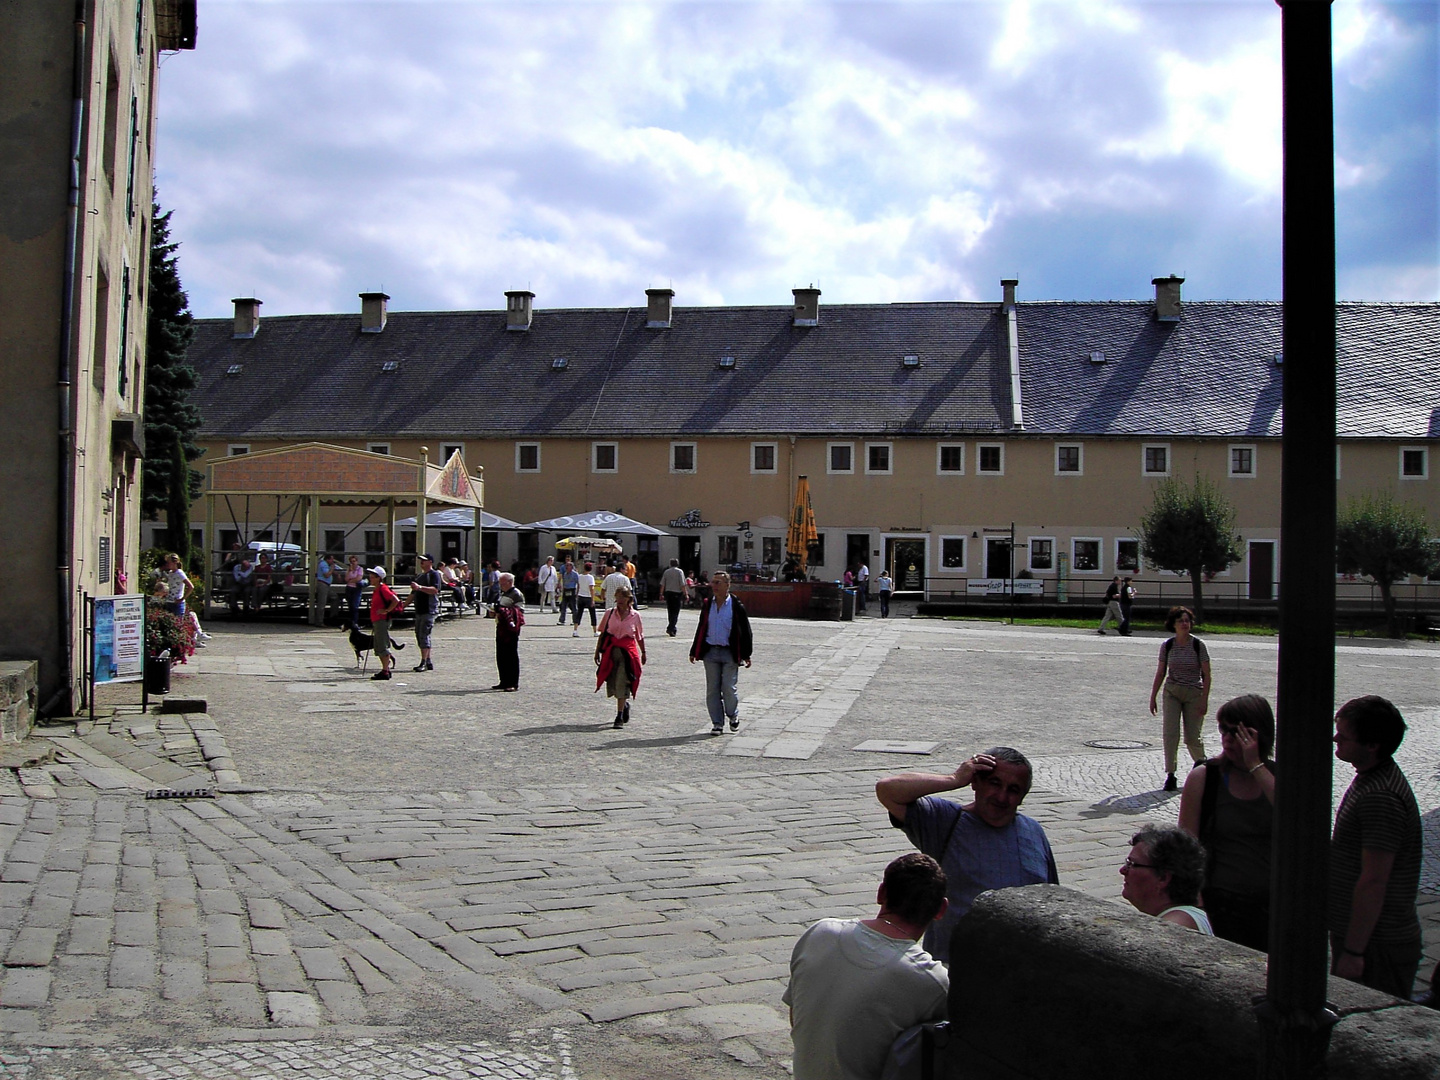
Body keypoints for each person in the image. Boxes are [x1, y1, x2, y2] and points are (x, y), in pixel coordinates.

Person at [875, 748, 1059, 963]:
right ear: (975, 782)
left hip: (1022, 971)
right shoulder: (945, 821)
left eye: (1013, 789)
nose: (1001, 796)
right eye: (994, 783)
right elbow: (887, 789)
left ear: (1022, 797)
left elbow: (1053, 897)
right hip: (956, 970)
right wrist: (953, 779)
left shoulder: (1033, 831)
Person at [784, 853, 949, 1080]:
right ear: (941, 910)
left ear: (881, 893)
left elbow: (797, 1014)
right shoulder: (932, 980)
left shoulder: (820, 932)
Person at [1329, 695, 1422, 998]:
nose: (1335, 738)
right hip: (1372, 941)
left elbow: (1374, 880)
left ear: (1372, 744)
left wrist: (1354, 951)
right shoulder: (1371, 780)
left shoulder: (1380, 796)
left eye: (1344, 735)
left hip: (1377, 945)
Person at [1177, 694, 1275, 950]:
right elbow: (1187, 845)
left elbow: (1294, 818)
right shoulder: (1205, 777)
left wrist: (1255, 764)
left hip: (1271, 905)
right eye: (1223, 730)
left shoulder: (1274, 777)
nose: (1228, 739)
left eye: (1238, 731)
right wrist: (1196, 902)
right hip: (1221, 902)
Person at [1148, 606, 1211, 792]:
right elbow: (1160, 672)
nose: (1185, 624)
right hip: (1172, 692)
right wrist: (1153, 696)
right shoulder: (1167, 645)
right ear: (1173, 625)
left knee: (1192, 737)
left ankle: (1202, 764)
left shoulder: (1198, 645)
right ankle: (1170, 774)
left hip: (1193, 693)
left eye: (1187, 621)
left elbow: (1207, 674)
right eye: (1181, 621)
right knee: (1170, 734)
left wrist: (1204, 699)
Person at [689, 570, 753, 735]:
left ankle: (733, 715)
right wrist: (694, 649)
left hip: (729, 652)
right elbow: (702, 627)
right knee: (712, 689)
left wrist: (746, 654)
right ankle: (717, 723)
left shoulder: (736, 605)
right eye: (713, 582)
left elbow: (745, 630)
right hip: (711, 652)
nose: (714, 586)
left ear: (727, 585)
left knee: (729, 688)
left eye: (718, 582)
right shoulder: (708, 604)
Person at [1120, 824, 1213, 934]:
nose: (1123, 870)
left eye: (1132, 864)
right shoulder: (1189, 916)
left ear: (1163, 878)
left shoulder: (1174, 925)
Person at [595, 585, 646, 728]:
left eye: (623, 597)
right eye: (617, 597)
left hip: (627, 653)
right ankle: (624, 705)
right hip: (611, 652)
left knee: (622, 681)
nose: (620, 600)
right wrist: (597, 651)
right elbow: (603, 633)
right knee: (612, 681)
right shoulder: (609, 613)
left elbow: (639, 637)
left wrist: (643, 652)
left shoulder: (635, 616)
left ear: (629, 599)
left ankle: (619, 716)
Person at [489, 571, 525, 691]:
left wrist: (503, 610)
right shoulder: (503, 593)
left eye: (502, 583)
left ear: (510, 582)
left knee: (511, 655)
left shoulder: (516, 594)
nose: (500, 585)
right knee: (501, 654)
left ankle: (513, 683)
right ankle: (503, 680)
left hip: (511, 627)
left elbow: (519, 611)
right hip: (501, 626)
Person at [365, 566, 402, 681]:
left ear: (379, 578)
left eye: (373, 576)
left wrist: (386, 610)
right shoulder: (377, 589)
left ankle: (385, 670)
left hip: (381, 621)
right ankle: (385, 669)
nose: (370, 578)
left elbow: (395, 600)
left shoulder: (383, 588)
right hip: (377, 620)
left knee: (382, 645)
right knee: (379, 645)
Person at [409, 553, 441, 672]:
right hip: (419, 610)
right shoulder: (420, 576)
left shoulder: (434, 574)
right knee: (419, 635)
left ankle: (423, 662)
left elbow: (434, 590)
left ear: (430, 562)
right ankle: (428, 660)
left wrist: (420, 587)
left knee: (424, 635)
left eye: (424, 560)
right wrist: (402, 605)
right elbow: (413, 593)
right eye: (421, 560)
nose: (421, 562)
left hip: (429, 609)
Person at [660, 558, 688, 637]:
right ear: (677, 564)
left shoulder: (666, 572)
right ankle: (671, 628)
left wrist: (661, 594)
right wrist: (686, 594)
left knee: (670, 611)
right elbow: (682, 584)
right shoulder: (679, 572)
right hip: (677, 593)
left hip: (668, 593)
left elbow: (663, 584)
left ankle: (671, 627)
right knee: (675, 612)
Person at [160, 552, 193, 618]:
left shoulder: (180, 573)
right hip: (169, 601)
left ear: (174, 563)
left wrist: (182, 598)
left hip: (177, 603)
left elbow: (190, 586)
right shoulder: (170, 573)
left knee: (178, 623)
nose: (168, 564)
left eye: (169, 562)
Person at [573, 561, 597, 637]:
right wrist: (593, 599)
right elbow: (591, 588)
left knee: (579, 613)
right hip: (588, 597)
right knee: (592, 614)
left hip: (581, 596)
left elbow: (578, 586)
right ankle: (595, 631)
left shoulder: (580, 576)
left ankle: (575, 630)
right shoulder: (590, 577)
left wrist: (577, 595)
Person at [311, 553, 335, 626]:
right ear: (327, 559)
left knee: (334, 597)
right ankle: (319, 621)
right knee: (321, 603)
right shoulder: (323, 564)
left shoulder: (326, 565)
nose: (332, 561)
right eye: (331, 559)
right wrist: (332, 569)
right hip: (323, 584)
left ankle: (333, 616)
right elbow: (326, 575)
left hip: (326, 585)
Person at [344, 555, 365, 630]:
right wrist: (350, 572)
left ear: (357, 561)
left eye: (354, 561)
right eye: (351, 562)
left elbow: (359, 578)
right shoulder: (348, 569)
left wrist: (351, 580)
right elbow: (346, 579)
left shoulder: (360, 569)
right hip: (349, 588)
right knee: (350, 606)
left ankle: (355, 623)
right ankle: (350, 623)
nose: (353, 563)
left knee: (355, 606)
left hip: (356, 588)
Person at [557, 557, 579, 626]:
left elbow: (578, 583)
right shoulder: (565, 574)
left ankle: (575, 620)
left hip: (572, 590)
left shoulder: (575, 574)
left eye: (568, 566)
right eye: (566, 566)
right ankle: (562, 620)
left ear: (571, 567)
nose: (566, 568)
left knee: (573, 606)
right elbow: (564, 582)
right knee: (563, 606)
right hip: (566, 590)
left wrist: (577, 592)